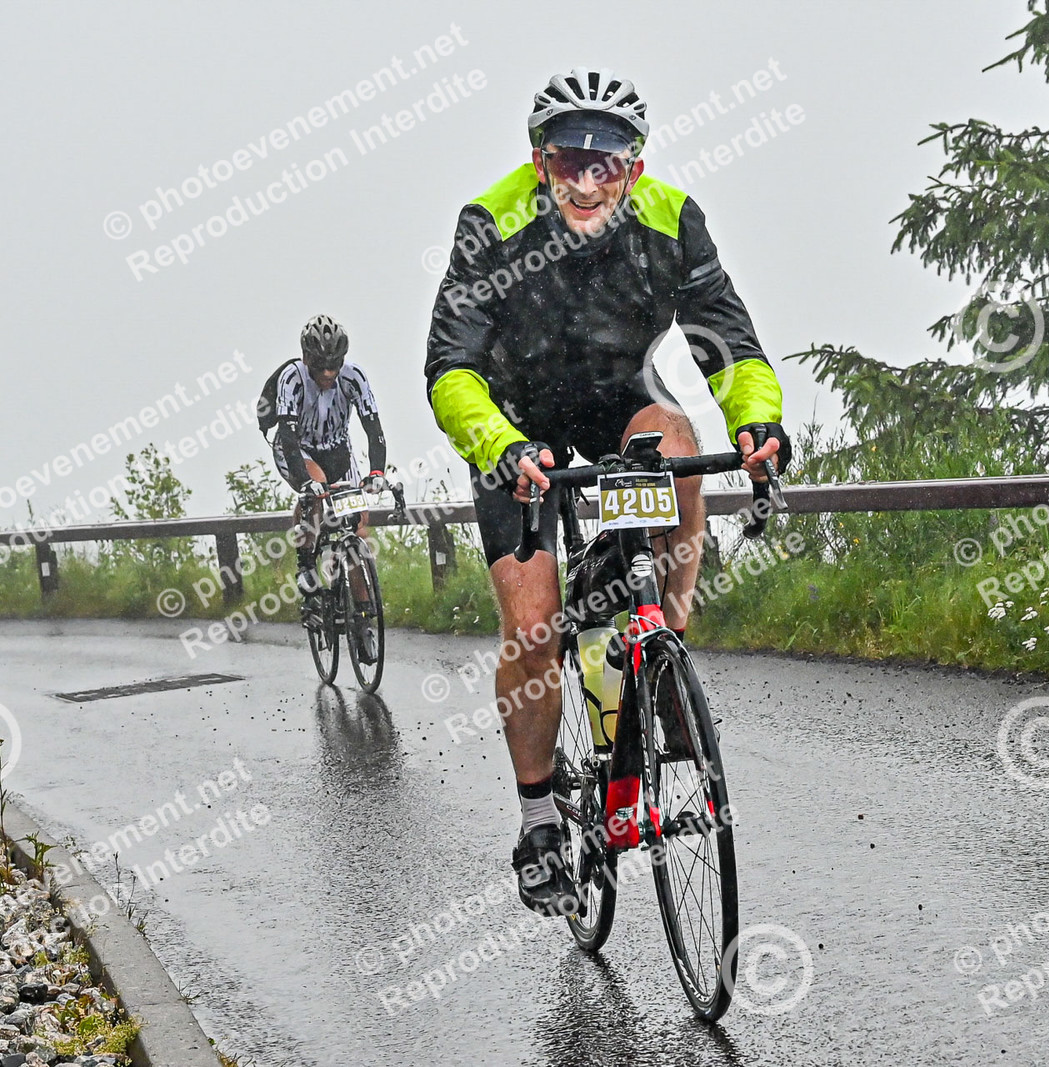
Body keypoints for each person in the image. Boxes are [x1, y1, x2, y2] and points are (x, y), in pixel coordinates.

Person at [423, 68, 789, 915]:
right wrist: (501, 444)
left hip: (615, 399)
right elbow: (450, 368)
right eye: (568, 162)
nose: (587, 183)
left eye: (607, 165)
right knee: (533, 626)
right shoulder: (491, 223)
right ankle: (539, 820)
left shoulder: (671, 218)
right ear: (540, 162)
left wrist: (758, 424)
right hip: (514, 423)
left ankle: (664, 651)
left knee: (678, 446)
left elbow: (730, 344)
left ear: (635, 167)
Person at [271, 315, 388, 660]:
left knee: (358, 530)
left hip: (338, 450)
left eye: (334, 364)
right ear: (306, 358)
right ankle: (306, 564)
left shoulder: (354, 377)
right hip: (298, 450)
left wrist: (377, 472)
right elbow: (288, 437)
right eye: (320, 365)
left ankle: (363, 618)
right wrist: (305, 482)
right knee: (317, 492)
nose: (327, 373)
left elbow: (373, 428)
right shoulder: (291, 379)